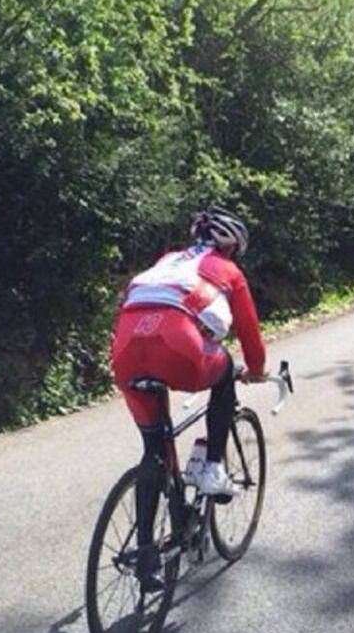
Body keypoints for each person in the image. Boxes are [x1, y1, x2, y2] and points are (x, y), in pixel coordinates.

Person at [111, 206, 267, 589]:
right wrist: (257, 369)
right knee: (227, 368)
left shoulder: (165, 262)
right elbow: (249, 336)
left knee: (155, 453)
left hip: (126, 352)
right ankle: (213, 466)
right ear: (231, 247)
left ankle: (147, 558)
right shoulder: (228, 270)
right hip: (178, 349)